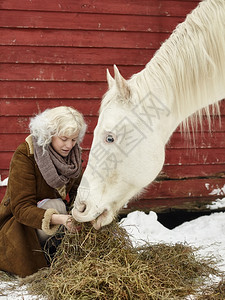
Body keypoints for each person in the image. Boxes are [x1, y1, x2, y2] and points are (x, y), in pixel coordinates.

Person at [0, 106, 87, 277]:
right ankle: (46, 255)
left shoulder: (73, 157)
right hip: (21, 226)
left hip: (57, 222)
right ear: (49, 133)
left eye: (74, 139)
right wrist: (61, 218)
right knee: (56, 205)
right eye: (64, 139)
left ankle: (58, 253)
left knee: (69, 208)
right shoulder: (27, 154)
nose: (69, 145)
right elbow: (21, 208)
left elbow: (79, 191)